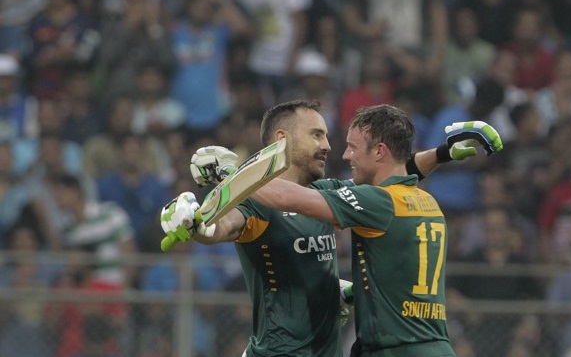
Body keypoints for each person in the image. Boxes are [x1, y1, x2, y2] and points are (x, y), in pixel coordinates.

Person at [159, 100, 502, 356]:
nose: (330, 147)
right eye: (317, 134)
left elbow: (392, 174)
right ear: (282, 139)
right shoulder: (258, 202)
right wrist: (193, 221)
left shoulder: (331, 194)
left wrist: (230, 173)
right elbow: (218, 228)